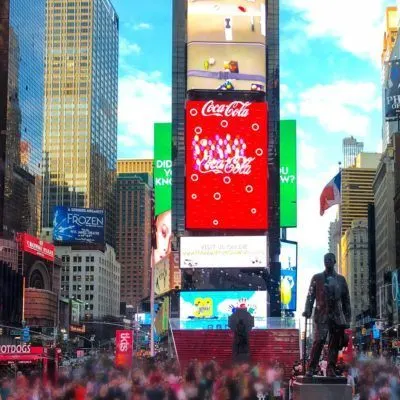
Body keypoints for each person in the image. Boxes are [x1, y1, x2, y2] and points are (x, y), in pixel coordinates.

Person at [302, 253, 351, 377]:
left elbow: (346, 300)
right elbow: (310, 296)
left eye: (330, 259)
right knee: (318, 341)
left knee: (334, 344)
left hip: (336, 317)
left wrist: (347, 318)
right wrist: (307, 309)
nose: (327, 261)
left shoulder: (341, 279)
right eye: (325, 260)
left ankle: (331, 368)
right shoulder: (317, 278)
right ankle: (312, 368)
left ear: (334, 261)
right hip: (321, 315)